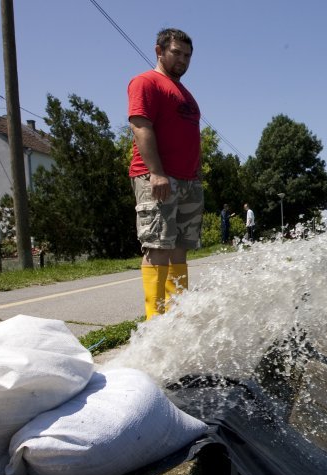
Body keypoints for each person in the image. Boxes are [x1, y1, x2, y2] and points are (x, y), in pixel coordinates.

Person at [128, 28, 204, 320]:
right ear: (159, 51)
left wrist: (195, 171)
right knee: (157, 245)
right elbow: (140, 126)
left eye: (187, 55)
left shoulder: (185, 93)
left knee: (180, 249)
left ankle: (176, 318)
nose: (183, 60)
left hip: (187, 181)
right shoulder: (146, 82)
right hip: (158, 178)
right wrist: (156, 173)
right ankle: (154, 322)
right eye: (177, 53)